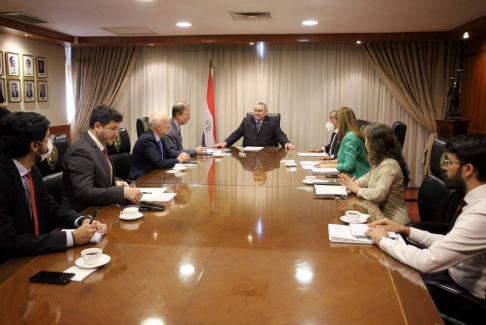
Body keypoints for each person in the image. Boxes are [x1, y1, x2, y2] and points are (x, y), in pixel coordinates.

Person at [365, 134, 486, 300]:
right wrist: (407, 230)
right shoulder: (476, 202)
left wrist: (384, 241)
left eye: (449, 162)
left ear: (468, 169)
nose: (444, 168)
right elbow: (449, 242)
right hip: (449, 272)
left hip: (461, 294)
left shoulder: (480, 213)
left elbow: (428, 262)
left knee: (382, 285)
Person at [0, 112, 107, 265]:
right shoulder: (3, 179)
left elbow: (52, 210)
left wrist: (82, 220)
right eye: (47, 138)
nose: (51, 142)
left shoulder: (32, 169)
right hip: (10, 268)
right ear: (34, 145)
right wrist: (72, 238)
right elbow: (8, 243)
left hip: (36, 256)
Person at [62, 105, 142, 212]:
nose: (117, 134)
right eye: (113, 128)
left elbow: (97, 177)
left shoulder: (99, 145)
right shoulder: (80, 151)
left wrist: (114, 182)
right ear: (98, 126)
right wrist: (122, 192)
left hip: (101, 209)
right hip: (84, 215)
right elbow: (85, 193)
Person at [339, 124, 410, 224]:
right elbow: (368, 177)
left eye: (367, 140)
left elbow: (379, 194)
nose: (365, 143)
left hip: (392, 221)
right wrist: (355, 183)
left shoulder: (389, 165)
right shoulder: (378, 160)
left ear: (376, 144)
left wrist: (356, 189)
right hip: (377, 214)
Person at [129, 112, 190, 180]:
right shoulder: (147, 140)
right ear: (158, 127)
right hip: (143, 180)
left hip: (154, 177)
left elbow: (167, 154)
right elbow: (159, 163)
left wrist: (181, 155)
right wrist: (178, 160)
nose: (169, 126)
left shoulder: (159, 137)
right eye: (167, 123)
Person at [315, 107, 369, 178]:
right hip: (348, 177)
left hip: (356, 178)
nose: (334, 123)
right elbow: (342, 159)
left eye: (336, 120)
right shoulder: (348, 135)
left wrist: (327, 165)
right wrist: (328, 162)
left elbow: (348, 166)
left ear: (341, 121)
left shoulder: (350, 137)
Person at [213, 103, 295, 150]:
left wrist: (286, 143)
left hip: (267, 154)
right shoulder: (247, 120)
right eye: (255, 110)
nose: (256, 113)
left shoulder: (273, 121)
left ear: (266, 112)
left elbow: (279, 134)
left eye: (260, 111)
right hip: (249, 153)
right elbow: (237, 133)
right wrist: (225, 142)